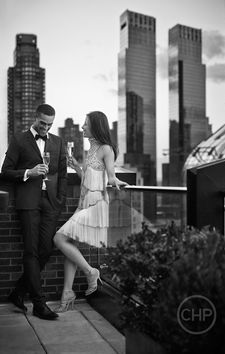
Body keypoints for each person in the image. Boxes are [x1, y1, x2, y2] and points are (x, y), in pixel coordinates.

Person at [54, 111, 127, 312]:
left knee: (59, 239)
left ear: (95, 127)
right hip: (83, 203)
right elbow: (88, 178)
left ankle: (90, 272)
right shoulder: (90, 149)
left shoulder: (106, 149)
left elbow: (110, 176)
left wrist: (116, 181)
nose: (83, 127)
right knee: (69, 243)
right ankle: (67, 293)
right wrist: (77, 167)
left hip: (96, 205)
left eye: (86, 124)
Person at [1, 104, 67, 320]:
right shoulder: (19, 140)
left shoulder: (58, 142)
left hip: (50, 203)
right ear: (35, 118)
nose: (46, 128)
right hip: (28, 201)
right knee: (31, 252)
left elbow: (63, 173)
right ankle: (39, 304)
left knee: (45, 250)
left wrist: (59, 200)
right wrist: (28, 172)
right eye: (42, 123)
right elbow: (5, 172)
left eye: (50, 124)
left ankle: (18, 292)